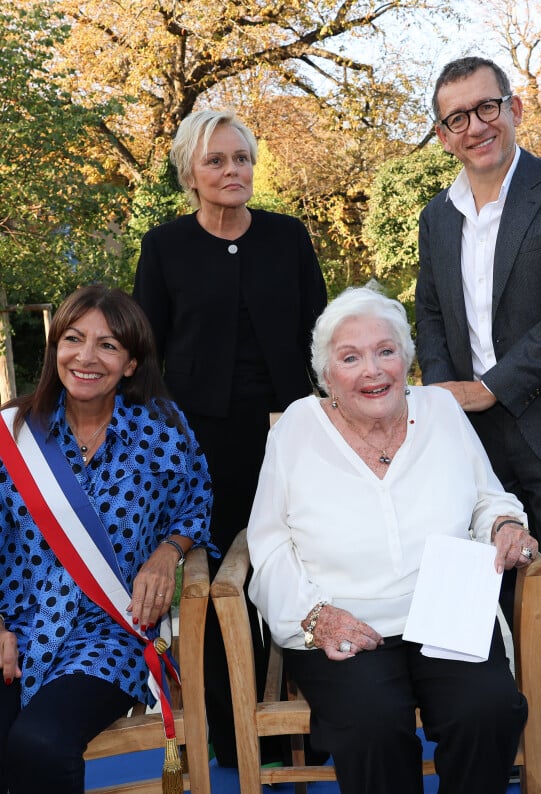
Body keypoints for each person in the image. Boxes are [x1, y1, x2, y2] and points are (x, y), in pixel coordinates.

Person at [247, 285, 537, 794]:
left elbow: (487, 498)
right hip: (343, 620)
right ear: (326, 375)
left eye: (386, 351)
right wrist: (315, 617)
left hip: (447, 612)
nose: (373, 370)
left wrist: (504, 526)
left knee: (487, 710)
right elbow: (268, 546)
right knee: (371, 723)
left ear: (406, 358)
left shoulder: (442, 411)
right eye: (351, 357)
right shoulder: (295, 429)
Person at [132, 108, 327, 766]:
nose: (232, 171)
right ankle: (229, 729)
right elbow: (145, 354)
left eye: (241, 158)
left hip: (289, 432)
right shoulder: (164, 247)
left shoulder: (288, 237)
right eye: (216, 160)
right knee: (217, 583)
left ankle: (306, 721)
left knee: (299, 567)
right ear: (191, 171)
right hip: (200, 445)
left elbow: (319, 336)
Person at [415, 55, 541, 768]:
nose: (475, 126)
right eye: (458, 117)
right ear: (443, 135)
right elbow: (427, 312)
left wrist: (493, 386)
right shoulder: (437, 216)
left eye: (487, 108)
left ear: (513, 109)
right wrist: (452, 395)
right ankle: (496, 722)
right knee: (482, 572)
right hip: (469, 433)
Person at [0, 284, 217, 794]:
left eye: (108, 345)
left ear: (132, 364)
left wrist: (169, 551)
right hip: (16, 625)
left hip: (107, 635)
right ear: (55, 349)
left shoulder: (162, 430)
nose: (86, 357)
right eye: (73, 339)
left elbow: (196, 500)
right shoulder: (13, 433)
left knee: (41, 743)